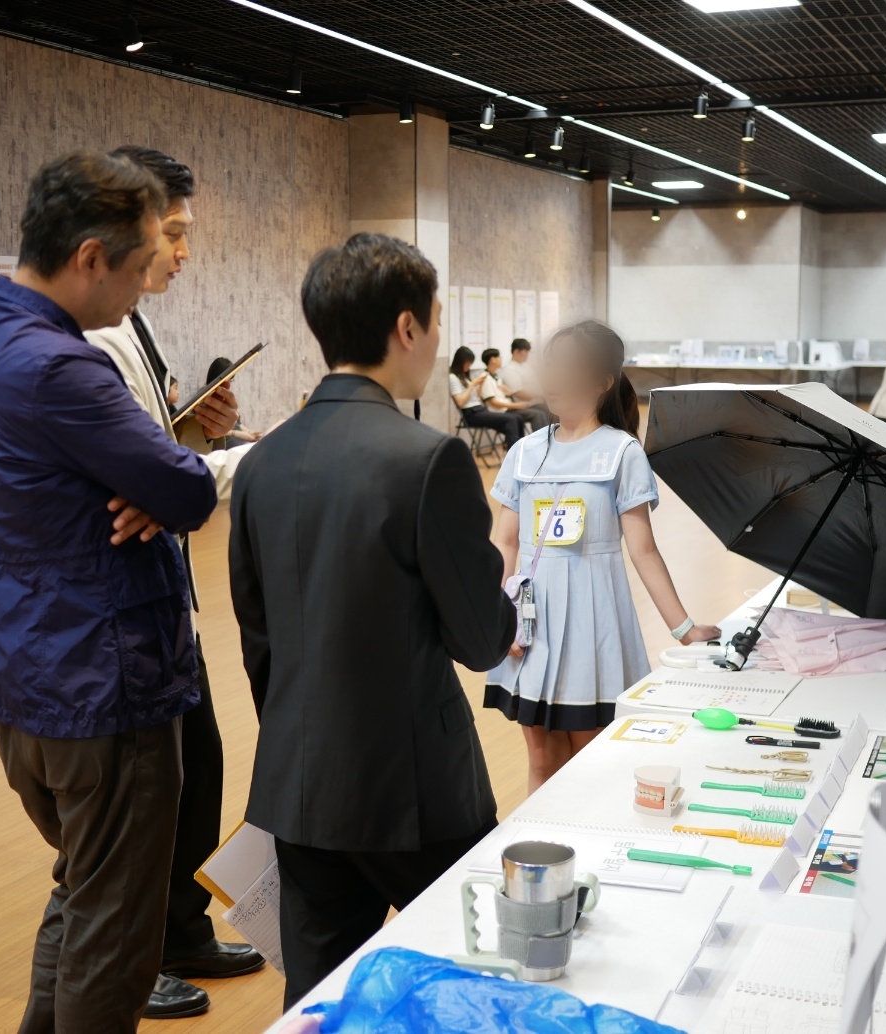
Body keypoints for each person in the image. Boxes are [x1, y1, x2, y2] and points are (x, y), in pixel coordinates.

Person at [0, 152, 219, 1033]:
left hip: (28, 679)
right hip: (105, 690)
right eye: (142, 265)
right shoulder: (65, 367)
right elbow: (188, 492)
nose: (146, 285)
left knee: (84, 900)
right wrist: (164, 473)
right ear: (92, 259)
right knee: (115, 943)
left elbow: (154, 475)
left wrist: (154, 468)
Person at [229, 233, 515, 1009]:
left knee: (321, 1003)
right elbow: (481, 638)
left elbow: (257, 639)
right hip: (417, 791)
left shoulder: (261, 462)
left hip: (300, 784)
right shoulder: (427, 459)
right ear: (407, 328)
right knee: (461, 989)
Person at [80, 147, 263, 1021]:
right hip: (114, 618)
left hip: (163, 597)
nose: (184, 251)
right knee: (142, 802)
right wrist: (249, 456)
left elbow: (156, 458)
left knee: (199, 768)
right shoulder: (87, 340)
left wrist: (186, 429)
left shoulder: (134, 327)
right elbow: (148, 484)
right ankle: (135, 954)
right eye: (176, 232)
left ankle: (180, 927)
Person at [484, 320, 721, 792]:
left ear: (601, 382)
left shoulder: (622, 452)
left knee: (592, 765)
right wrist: (497, 618)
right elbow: (505, 541)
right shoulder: (525, 451)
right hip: (530, 627)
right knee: (541, 761)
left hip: (594, 623)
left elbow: (644, 550)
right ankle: (540, 857)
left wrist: (684, 629)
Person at [449, 345, 525, 448]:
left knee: (517, 418)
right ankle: (514, 453)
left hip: (480, 409)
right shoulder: (453, 377)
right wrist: (472, 385)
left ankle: (521, 450)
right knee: (511, 419)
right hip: (471, 414)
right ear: (460, 361)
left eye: (470, 363)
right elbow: (460, 402)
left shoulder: (465, 377)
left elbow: (478, 397)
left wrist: (479, 386)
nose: (469, 366)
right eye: (467, 362)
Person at [481, 346, 551, 430]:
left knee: (542, 412)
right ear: (492, 360)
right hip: (502, 410)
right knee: (536, 414)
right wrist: (515, 405)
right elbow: (493, 402)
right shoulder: (485, 378)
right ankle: (540, 441)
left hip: (509, 407)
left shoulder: (496, 377)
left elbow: (504, 395)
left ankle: (548, 438)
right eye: (499, 357)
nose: (501, 359)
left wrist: (508, 393)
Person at [499, 338, 545, 403]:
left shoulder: (526, 365)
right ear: (516, 351)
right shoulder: (510, 370)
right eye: (525, 352)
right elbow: (519, 393)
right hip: (528, 405)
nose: (527, 355)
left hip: (539, 401)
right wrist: (542, 396)